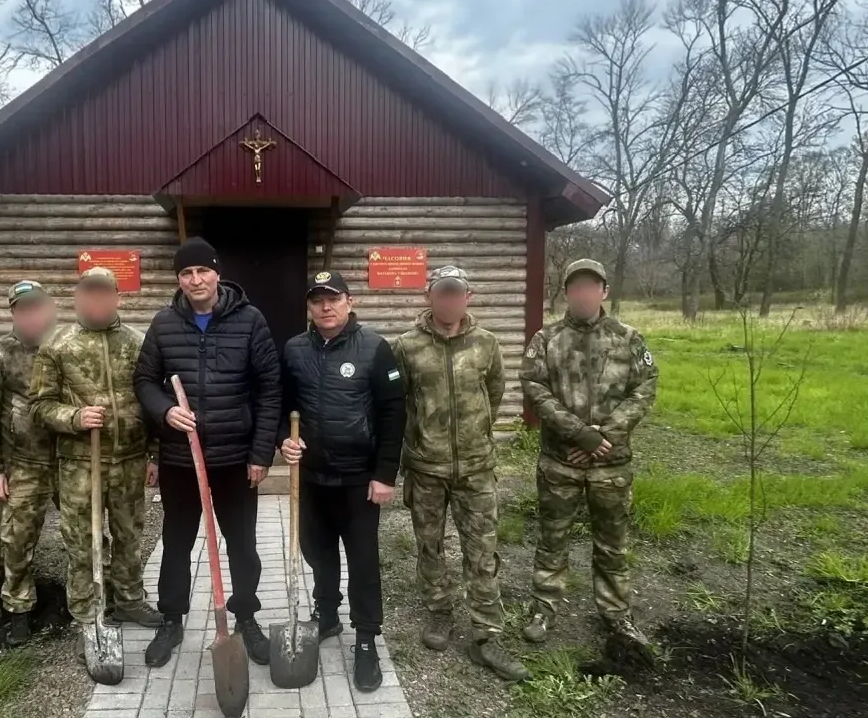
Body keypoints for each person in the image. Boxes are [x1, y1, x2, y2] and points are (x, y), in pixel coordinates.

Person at [133, 236, 282, 668]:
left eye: (202, 270)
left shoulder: (250, 320)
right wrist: (165, 412)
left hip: (235, 458)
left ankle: (247, 619)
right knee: (176, 542)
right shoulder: (163, 323)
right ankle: (172, 619)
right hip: (181, 459)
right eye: (186, 273)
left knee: (241, 543)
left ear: (217, 273)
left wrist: (260, 454)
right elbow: (144, 381)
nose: (195, 280)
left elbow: (269, 389)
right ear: (178, 279)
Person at [393, 265, 530, 681]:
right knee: (429, 546)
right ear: (428, 297)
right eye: (442, 293)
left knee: (482, 551)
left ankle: (487, 634)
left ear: (468, 297)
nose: (449, 300)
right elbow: (397, 402)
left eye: (457, 293)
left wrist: (473, 439)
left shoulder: (487, 344)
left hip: (475, 468)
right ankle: (438, 613)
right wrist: (412, 448)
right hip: (426, 468)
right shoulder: (406, 346)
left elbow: (495, 391)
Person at [520, 258, 658, 657]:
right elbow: (534, 386)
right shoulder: (546, 339)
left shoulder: (628, 338)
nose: (583, 294)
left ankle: (617, 615)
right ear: (567, 292)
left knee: (613, 544)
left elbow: (645, 388)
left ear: (604, 292)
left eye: (591, 286)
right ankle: (544, 607)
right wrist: (575, 432)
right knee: (552, 538)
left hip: (610, 464)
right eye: (576, 287)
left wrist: (603, 435)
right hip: (560, 461)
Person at [278, 270, 405, 693]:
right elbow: (283, 405)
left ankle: (366, 638)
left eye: (333, 298)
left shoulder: (374, 348)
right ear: (310, 308)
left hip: (357, 479)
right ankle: (327, 613)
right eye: (317, 300)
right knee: (316, 551)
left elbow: (393, 414)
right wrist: (284, 440)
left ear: (349, 302)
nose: (325, 306)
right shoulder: (295, 349)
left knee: (364, 562)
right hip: (312, 477)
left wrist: (385, 475)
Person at [29, 267, 163, 650]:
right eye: (90, 294)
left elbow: (152, 402)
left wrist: (153, 454)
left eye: (105, 294)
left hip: (130, 460)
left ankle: (130, 602)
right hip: (79, 464)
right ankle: (88, 612)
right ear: (77, 297)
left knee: (129, 536)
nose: (98, 301)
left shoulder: (138, 343)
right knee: (83, 540)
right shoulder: (57, 345)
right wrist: (73, 418)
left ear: (118, 297)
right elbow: (39, 406)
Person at [0, 280, 59, 646]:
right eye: (23, 309)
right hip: (23, 463)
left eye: (37, 307)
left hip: (68, 460)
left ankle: (91, 599)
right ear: (13, 313)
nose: (32, 315)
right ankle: (19, 607)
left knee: (85, 534)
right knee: (17, 539)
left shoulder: (64, 346)